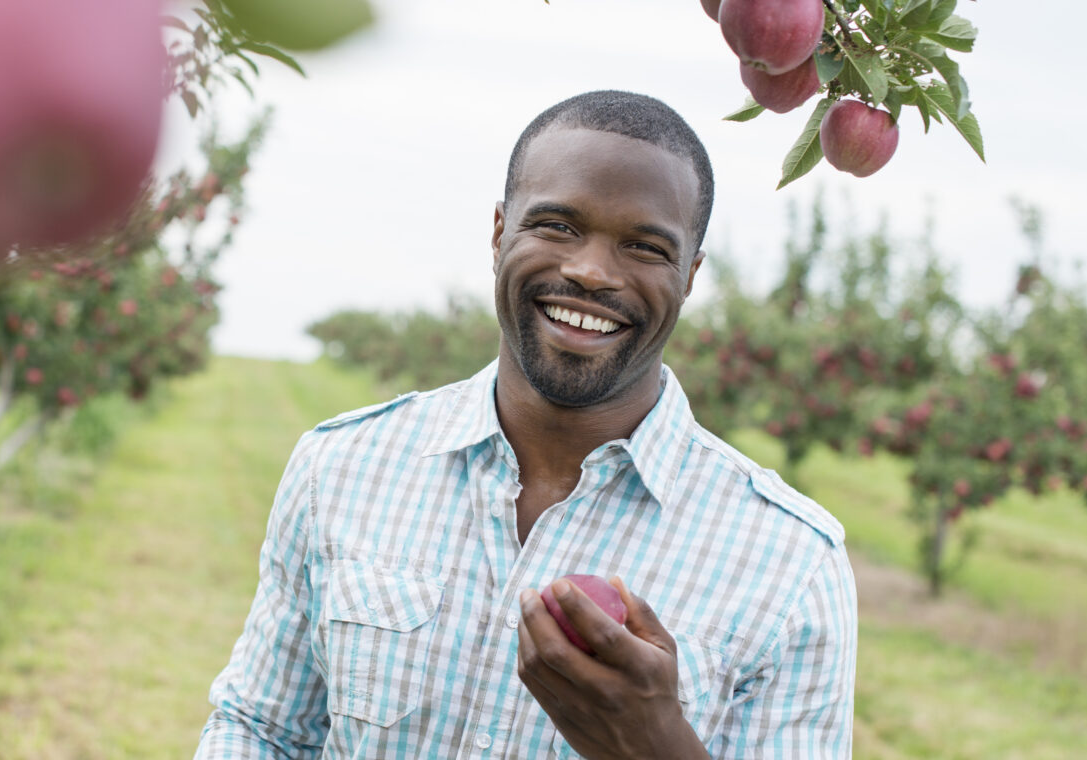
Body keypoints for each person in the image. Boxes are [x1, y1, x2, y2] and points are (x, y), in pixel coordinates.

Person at [194, 90, 857, 759]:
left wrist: (657, 744)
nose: (590, 271)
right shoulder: (343, 466)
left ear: (689, 276)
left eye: (644, 246)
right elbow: (263, 729)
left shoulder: (790, 562)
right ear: (498, 233)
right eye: (558, 226)